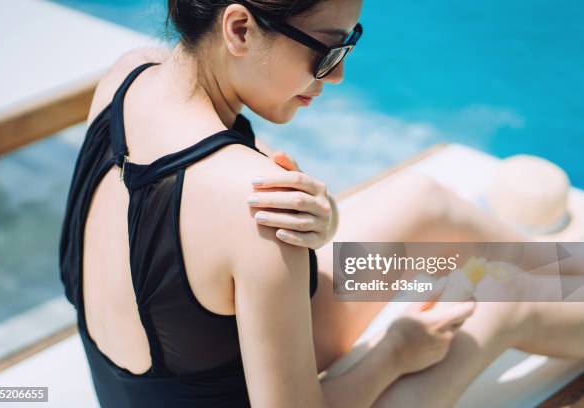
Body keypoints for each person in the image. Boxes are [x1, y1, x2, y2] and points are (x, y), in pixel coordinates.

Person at [59, 0, 584, 406]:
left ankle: (571, 275)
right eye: (327, 50)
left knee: (426, 205)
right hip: (219, 383)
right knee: (501, 298)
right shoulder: (254, 214)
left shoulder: (130, 75)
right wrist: (394, 353)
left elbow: (188, 182)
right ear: (239, 28)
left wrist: (324, 214)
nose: (336, 75)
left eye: (348, 46)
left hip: (168, 373)